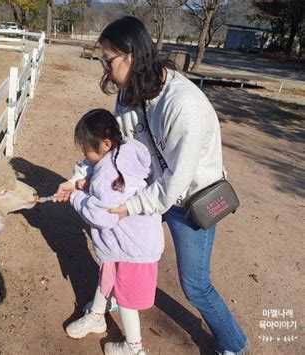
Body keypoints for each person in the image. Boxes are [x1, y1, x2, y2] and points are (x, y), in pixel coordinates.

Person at [55, 17, 247, 355]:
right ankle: (99, 314)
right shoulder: (129, 96)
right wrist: (77, 178)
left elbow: (177, 181)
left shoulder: (182, 105)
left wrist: (131, 207)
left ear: (130, 55)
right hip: (150, 192)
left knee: (195, 286)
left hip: (189, 201)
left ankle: (233, 345)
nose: (105, 69)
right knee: (113, 250)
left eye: (108, 60)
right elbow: (110, 149)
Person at [65, 109, 164, 355]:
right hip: (123, 242)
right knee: (107, 276)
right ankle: (97, 315)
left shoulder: (108, 172)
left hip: (132, 247)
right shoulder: (126, 152)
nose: (85, 155)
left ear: (105, 144)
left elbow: (102, 215)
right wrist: (86, 185)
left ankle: (134, 348)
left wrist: (76, 196)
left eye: (87, 149)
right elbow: (116, 192)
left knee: (126, 298)